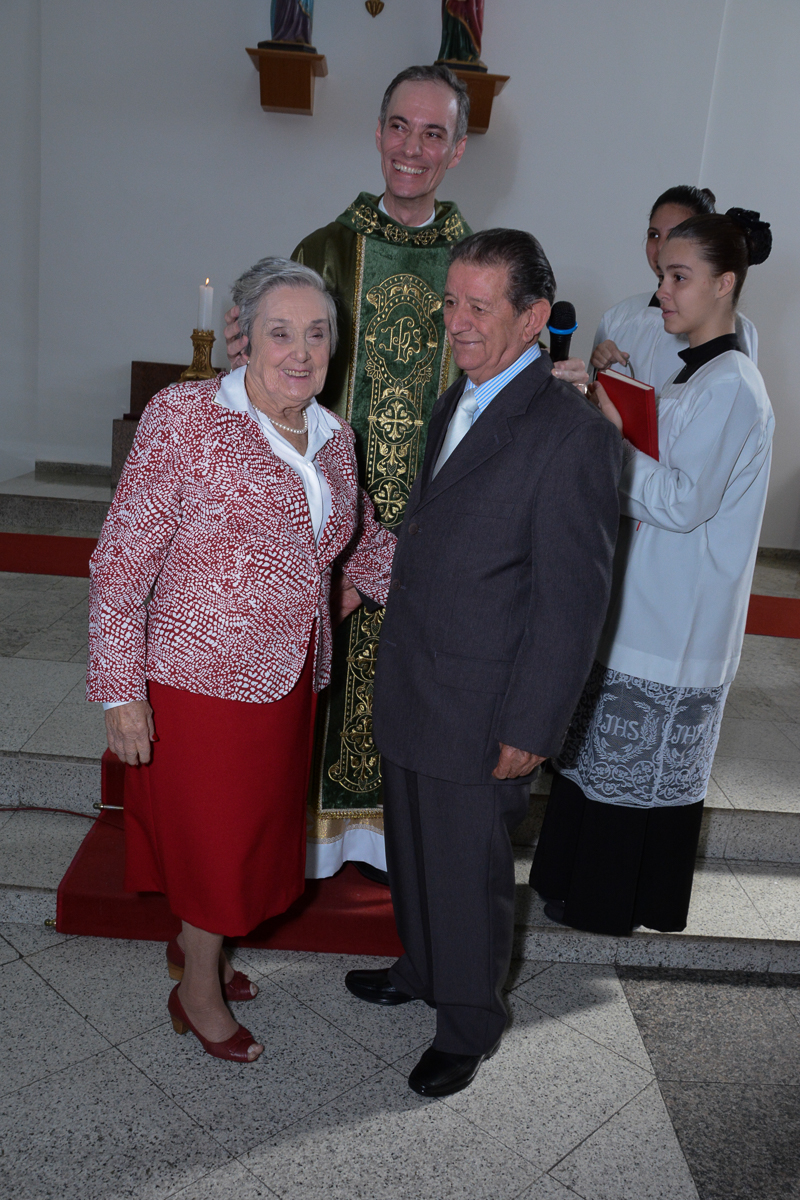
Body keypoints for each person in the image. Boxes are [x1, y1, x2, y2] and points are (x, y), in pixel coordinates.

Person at [224, 65, 589, 885]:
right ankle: (317, 845)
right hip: (326, 530)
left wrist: (552, 381)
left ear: (458, 150)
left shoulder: (478, 268)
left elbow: (509, 383)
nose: (412, 148)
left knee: (423, 696)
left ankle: (406, 856)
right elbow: (280, 375)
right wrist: (241, 352)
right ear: (378, 131)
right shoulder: (324, 249)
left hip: (443, 547)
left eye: (433, 134)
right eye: (399, 127)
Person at [87, 258, 395, 1063]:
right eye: (281, 332)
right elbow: (121, 564)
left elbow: (356, 542)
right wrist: (122, 692)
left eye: (317, 334)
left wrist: (452, 571)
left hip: (290, 681)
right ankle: (197, 988)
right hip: (198, 682)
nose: (301, 352)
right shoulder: (186, 417)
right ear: (243, 339)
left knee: (249, 837)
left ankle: (201, 946)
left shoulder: (334, 438)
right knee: (217, 841)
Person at [344, 228, 623, 1098]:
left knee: (467, 872)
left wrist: (532, 725)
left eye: (478, 307)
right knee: (418, 850)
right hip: (422, 676)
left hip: (487, 699)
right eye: (450, 304)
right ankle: (424, 969)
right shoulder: (454, 400)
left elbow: (573, 603)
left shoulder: (571, 436)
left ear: (534, 317)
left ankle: (469, 1021)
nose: (455, 323)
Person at [531, 209, 774, 938]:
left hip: (678, 620)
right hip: (643, 606)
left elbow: (681, 499)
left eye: (678, 277)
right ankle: (571, 888)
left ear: (724, 284)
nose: (661, 291)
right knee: (595, 767)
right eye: (663, 274)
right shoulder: (692, 373)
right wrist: (603, 400)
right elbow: (660, 441)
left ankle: (607, 904)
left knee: (628, 778)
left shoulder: (734, 383)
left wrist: (607, 438)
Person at [591, 185, 758, 397]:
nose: (661, 247)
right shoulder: (618, 318)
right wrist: (599, 371)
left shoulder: (736, 335)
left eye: (675, 234)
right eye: (653, 235)